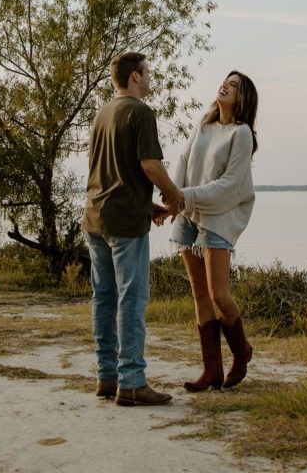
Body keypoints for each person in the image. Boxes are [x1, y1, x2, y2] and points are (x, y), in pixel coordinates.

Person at [82, 51, 182, 407]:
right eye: (147, 72)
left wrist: (148, 205)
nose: (150, 77)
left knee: (104, 299)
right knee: (132, 300)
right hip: (124, 224)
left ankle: (107, 377)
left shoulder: (102, 113)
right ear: (135, 77)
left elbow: (109, 169)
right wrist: (174, 195)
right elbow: (149, 165)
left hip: (96, 216)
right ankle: (133, 382)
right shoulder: (140, 112)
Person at [167, 70, 258, 391]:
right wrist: (172, 199)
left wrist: (184, 197)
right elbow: (182, 161)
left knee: (219, 294)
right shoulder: (204, 126)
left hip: (217, 217)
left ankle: (241, 351)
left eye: (233, 85)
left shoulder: (241, 133)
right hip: (188, 215)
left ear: (242, 96)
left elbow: (230, 185)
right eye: (225, 81)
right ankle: (211, 370)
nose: (225, 85)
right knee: (199, 293)